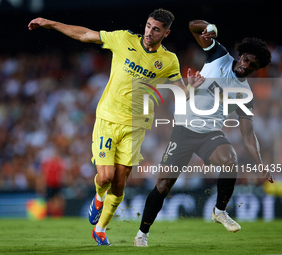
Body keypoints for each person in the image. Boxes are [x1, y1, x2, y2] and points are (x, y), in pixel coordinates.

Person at [28, 9, 204, 246]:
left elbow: (179, 92)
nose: (149, 32)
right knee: (106, 177)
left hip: (136, 127)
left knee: (120, 183)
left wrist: (192, 87)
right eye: (148, 26)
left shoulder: (169, 60)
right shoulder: (123, 39)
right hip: (108, 120)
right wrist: (50, 23)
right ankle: (99, 197)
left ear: (166, 33)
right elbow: (85, 35)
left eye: (156, 29)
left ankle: (100, 230)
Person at [134, 20, 274, 247]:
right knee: (163, 186)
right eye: (247, 59)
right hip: (184, 131)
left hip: (210, 134)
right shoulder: (219, 55)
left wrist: (260, 163)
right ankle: (142, 234)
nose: (247, 66)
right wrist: (209, 27)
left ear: (256, 70)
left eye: (253, 65)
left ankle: (219, 211)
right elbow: (193, 26)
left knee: (230, 160)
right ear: (241, 56)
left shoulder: (245, 95)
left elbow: (248, 134)